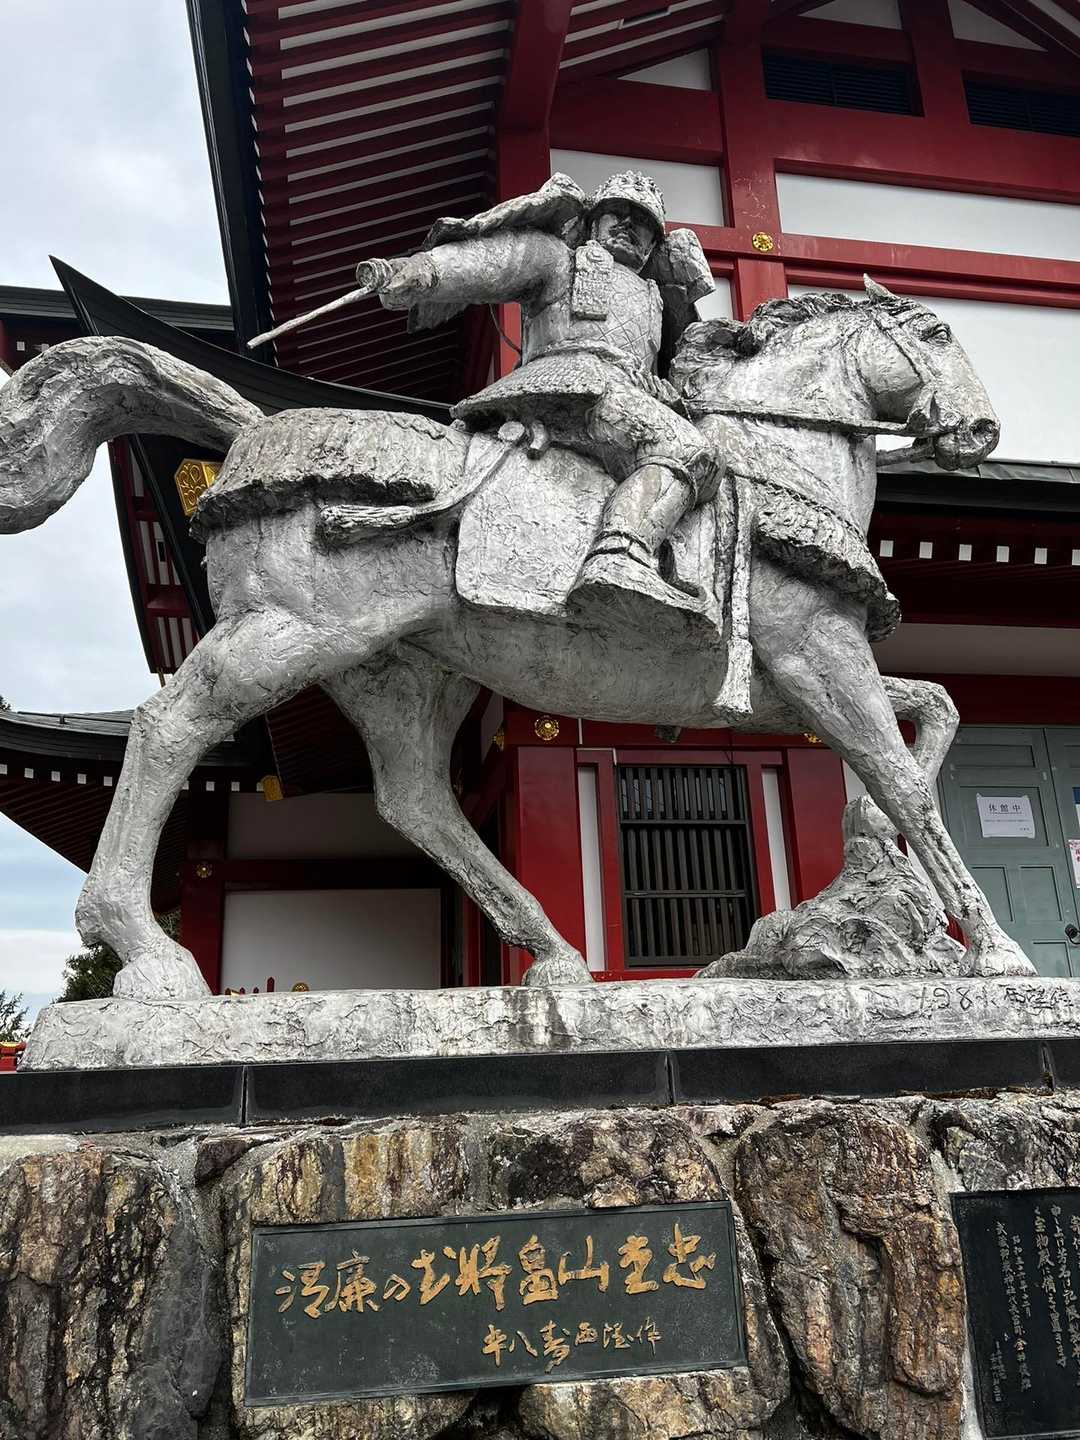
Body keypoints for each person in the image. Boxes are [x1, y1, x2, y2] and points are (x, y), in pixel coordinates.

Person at [367, 170, 719, 621]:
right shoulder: (560, 260)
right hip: (566, 385)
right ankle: (621, 555)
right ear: (592, 222)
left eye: (644, 222)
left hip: (617, 396)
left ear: (653, 245)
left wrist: (656, 386)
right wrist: (422, 271)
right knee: (691, 450)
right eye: (617, 212)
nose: (629, 224)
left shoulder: (657, 298)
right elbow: (496, 263)